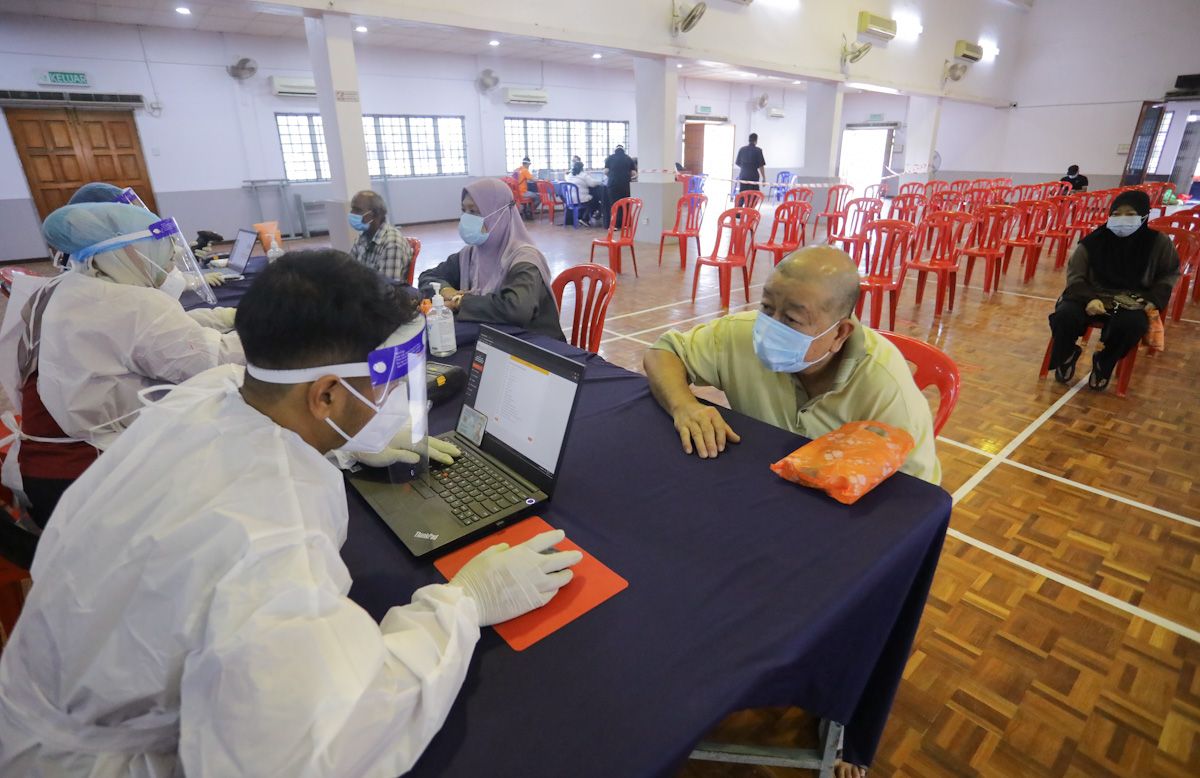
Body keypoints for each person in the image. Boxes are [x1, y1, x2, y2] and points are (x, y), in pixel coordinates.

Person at [0, 249, 582, 776]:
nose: (385, 394)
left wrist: (350, 443)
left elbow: (240, 384)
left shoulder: (211, 394)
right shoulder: (268, 544)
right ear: (325, 395)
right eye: (379, 376)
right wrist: (464, 605)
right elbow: (328, 737)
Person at [2, 202, 244, 528]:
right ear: (128, 251)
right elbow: (210, 362)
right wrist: (277, 328)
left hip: (44, 471)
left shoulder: (67, 286)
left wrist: (221, 318)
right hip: (90, 476)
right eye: (160, 249)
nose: (170, 260)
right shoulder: (130, 304)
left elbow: (154, 339)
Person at [643, 246, 940, 484]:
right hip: (758, 481)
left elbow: (914, 494)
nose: (770, 328)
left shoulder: (886, 388)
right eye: (767, 307)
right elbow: (663, 353)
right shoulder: (740, 333)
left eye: (792, 319)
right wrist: (684, 406)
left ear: (839, 333)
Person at [1047, 189, 1179, 390]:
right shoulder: (1093, 242)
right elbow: (1075, 275)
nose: (1122, 220)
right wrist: (1089, 298)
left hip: (1133, 298)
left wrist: (1153, 299)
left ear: (1143, 216)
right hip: (1089, 294)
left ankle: (1104, 363)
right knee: (1065, 315)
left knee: (1131, 325)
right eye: (1116, 214)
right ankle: (1066, 356)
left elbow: (1168, 273)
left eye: (1130, 214)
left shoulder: (1158, 243)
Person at [418, 179, 565, 340]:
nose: (466, 218)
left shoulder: (525, 259)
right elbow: (428, 276)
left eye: (474, 212)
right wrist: (447, 291)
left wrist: (459, 302)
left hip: (534, 348)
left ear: (499, 215)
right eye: (464, 211)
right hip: (495, 341)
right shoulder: (471, 255)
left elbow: (516, 309)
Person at [349, 189, 414, 283]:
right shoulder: (364, 236)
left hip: (377, 295)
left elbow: (387, 289)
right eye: (352, 209)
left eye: (357, 210)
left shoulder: (392, 244)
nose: (352, 213)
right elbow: (348, 270)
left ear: (376, 215)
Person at [603, 144, 637, 229]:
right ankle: (625, 224)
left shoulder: (610, 158)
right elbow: (633, 173)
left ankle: (614, 225)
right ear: (623, 150)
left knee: (614, 204)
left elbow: (606, 171)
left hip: (613, 185)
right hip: (625, 184)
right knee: (625, 204)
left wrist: (612, 176)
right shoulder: (628, 158)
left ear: (615, 150)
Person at [564, 158, 604, 226]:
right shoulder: (583, 175)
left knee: (591, 199)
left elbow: (566, 177)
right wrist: (600, 182)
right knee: (595, 200)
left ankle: (585, 217)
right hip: (580, 199)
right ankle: (585, 219)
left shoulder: (569, 176)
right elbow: (592, 183)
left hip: (569, 200)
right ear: (582, 168)